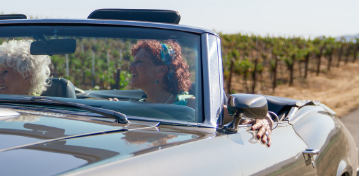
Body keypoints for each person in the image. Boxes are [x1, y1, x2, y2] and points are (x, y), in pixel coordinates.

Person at [117, 39, 274, 147]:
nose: (131, 67)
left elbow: (248, 114)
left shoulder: (191, 105)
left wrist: (265, 120)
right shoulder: (135, 106)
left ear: (161, 70)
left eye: (139, 62)